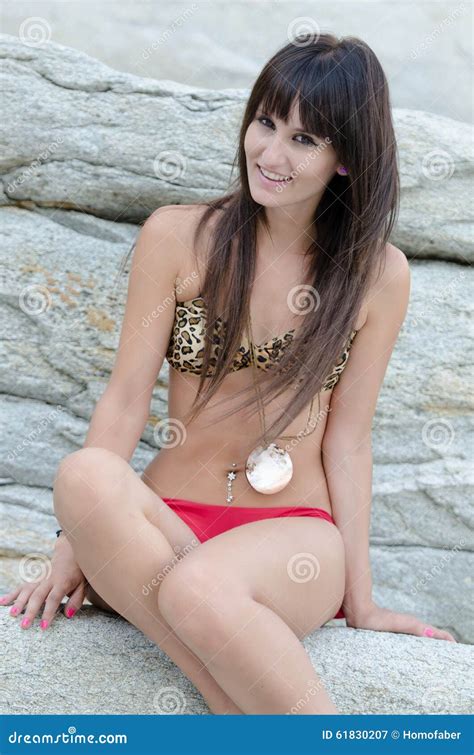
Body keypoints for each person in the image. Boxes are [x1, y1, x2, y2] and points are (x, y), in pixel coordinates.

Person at [1, 31, 456, 716]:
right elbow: (126, 399)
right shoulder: (176, 236)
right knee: (82, 478)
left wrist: (360, 601)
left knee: (197, 589)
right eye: (266, 122)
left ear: (345, 161)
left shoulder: (377, 276)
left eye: (304, 140)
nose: (270, 154)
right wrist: (79, 536)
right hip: (164, 521)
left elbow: (349, 440)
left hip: (293, 533)